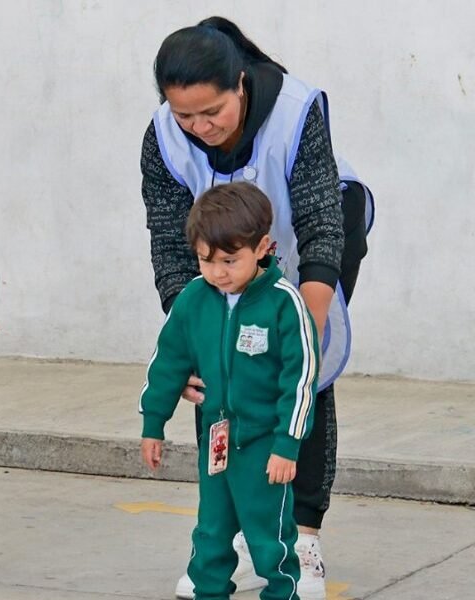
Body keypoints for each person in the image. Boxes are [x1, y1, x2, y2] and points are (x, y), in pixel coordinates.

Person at [141, 16, 373, 599]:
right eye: (184, 115)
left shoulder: (296, 110)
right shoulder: (162, 137)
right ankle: (238, 535)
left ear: (240, 84)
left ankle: (303, 537)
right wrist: (196, 336)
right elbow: (169, 243)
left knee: (300, 380)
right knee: (220, 378)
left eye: (211, 112)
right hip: (223, 251)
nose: (199, 127)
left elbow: (321, 225)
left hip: (313, 239)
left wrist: (304, 330)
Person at [141, 182, 318, 600]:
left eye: (229, 260)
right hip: (216, 441)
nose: (217, 272)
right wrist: (154, 423)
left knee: (269, 538)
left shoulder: (283, 303)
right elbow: (168, 361)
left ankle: (283, 593)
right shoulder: (194, 300)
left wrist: (287, 446)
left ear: (262, 248)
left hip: (264, 447)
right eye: (205, 260)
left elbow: (301, 378)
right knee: (211, 532)